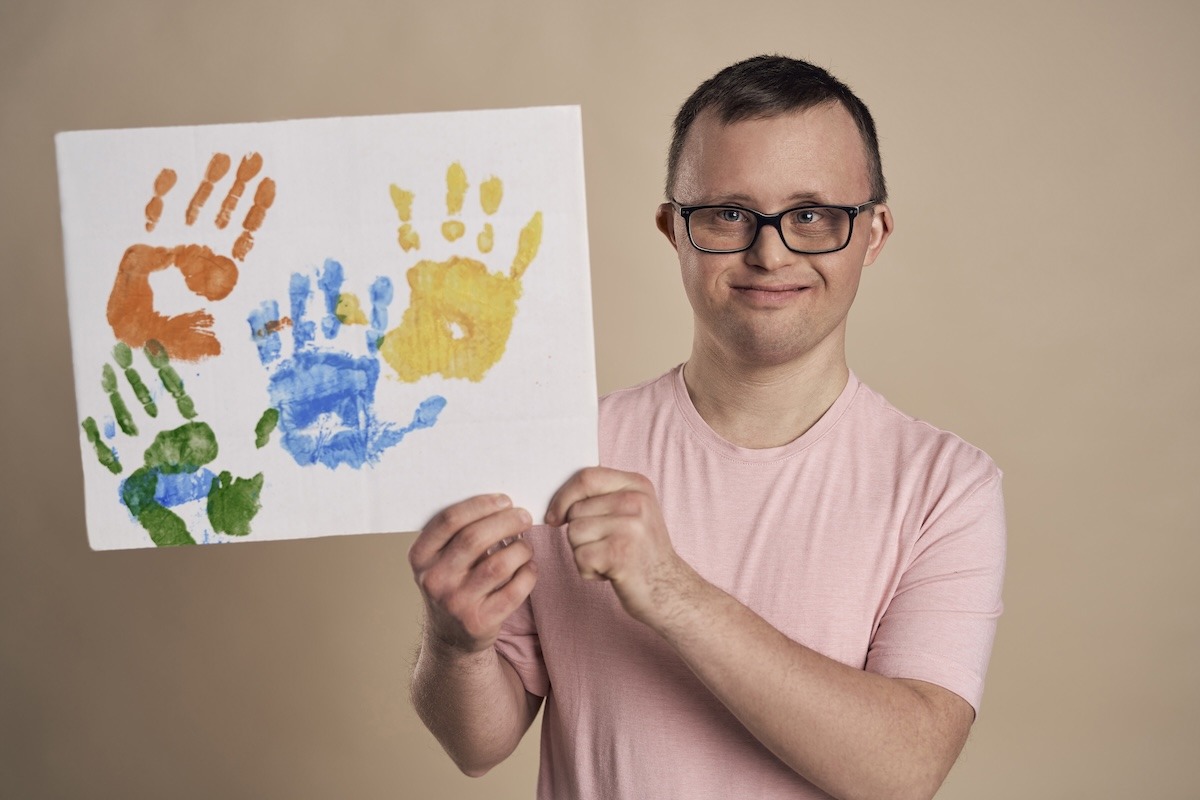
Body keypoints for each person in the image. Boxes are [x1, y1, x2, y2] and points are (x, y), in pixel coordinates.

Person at [407, 55, 1006, 800]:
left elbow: (904, 769)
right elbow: (478, 745)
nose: (770, 251)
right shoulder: (564, 451)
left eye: (813, 216)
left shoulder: (945, 486)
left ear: (873, 233)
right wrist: (455, 643)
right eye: (727, 213)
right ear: (673, 230)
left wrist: (669, 589)